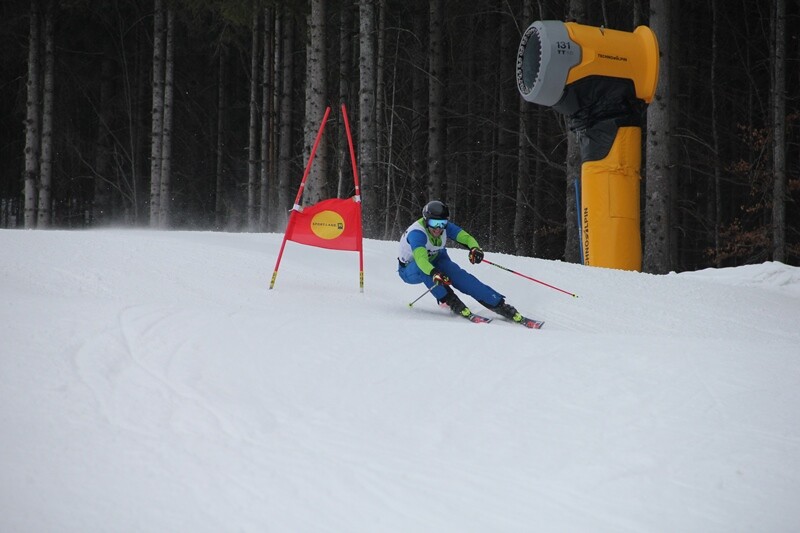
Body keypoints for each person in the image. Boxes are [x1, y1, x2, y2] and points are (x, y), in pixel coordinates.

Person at [397, 200, 524, 322]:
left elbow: (466, 237)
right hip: (410, 269)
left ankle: (498, 303)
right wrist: (434, 272)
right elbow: (421, 260)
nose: (438, 228)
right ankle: (450, 300)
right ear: (426, 221)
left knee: (460, 276)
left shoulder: (445, 227)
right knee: (427, 272)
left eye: (442, 223)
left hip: (436, 258)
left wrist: (475, 249)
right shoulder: (417, 234)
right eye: (434, 223)